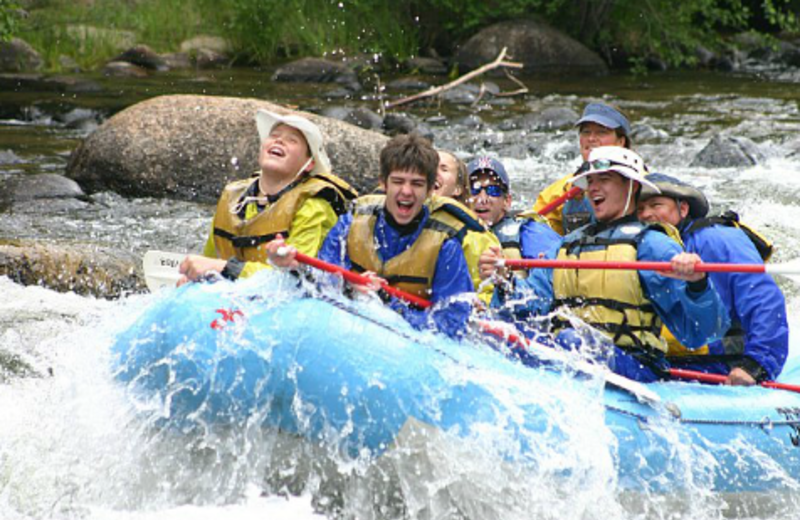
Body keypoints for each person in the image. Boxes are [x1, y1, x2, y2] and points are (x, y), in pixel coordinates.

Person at [480, 146, 731, 383]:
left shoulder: (653, 246)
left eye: (605, 179)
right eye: (591, 181)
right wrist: (505, 282)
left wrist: (697, 285)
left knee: (571, 340)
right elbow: (529, 303)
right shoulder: (568, 245)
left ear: (631, 186)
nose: (593, 188)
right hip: (575, 354)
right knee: (504, 336)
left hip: (635, 366)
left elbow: (701, 332)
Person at [267, 133, 476, 338]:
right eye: (398, 181)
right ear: (383, 184)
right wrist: (289, 266)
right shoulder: (352, 222)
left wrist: (385, 302)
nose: (406, 191)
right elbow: (321, 282)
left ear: (430, 189)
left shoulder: (445, 246)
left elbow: (451, 326)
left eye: (417, 184)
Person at [637, 173, 788, 385]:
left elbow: (764, 299)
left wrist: (755, 365)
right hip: (661, 363)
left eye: (656, 205)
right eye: (640, 209)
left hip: (718, 366)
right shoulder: (636, 247)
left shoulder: (717, 239)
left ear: (683, 208)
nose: (646, 214)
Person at [177, 109, 357, 285]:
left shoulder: (314, 202)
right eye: (274, 135)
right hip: (233, 288)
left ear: (309, 164)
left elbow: (295, 280)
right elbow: (209, 258)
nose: (279, 140)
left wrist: (223, 268)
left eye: (292, 140)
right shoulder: (233, 197)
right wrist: (194, 276)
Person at [533, 103, 631, 235]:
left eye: (602, 132)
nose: (591, 138)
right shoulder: (562, 190)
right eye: (586, 132)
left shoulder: (643, 185)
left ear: (621, 141)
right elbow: (535, 230)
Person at [465, 156, 561, 282]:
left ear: (507, 201)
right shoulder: (448, 234)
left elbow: (553, 283)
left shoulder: (531, 233)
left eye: (493, 191)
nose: (482, 199)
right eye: (474, 190)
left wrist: (507, 279)